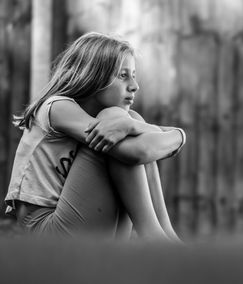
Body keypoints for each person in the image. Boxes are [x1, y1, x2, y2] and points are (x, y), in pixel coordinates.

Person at [4, 32, 185, 241]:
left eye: (134, 75)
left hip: (84, 223)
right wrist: (168, 135)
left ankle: (167, 236)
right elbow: (137, 152)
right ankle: (155, 239)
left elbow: (144, 148)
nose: (135, 86)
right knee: (114, 123)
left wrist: (177, 135)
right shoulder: (56, 108)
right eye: (123, 75)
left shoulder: (106, 120)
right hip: (47, 232)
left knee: (124, 121)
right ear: (93, 76)